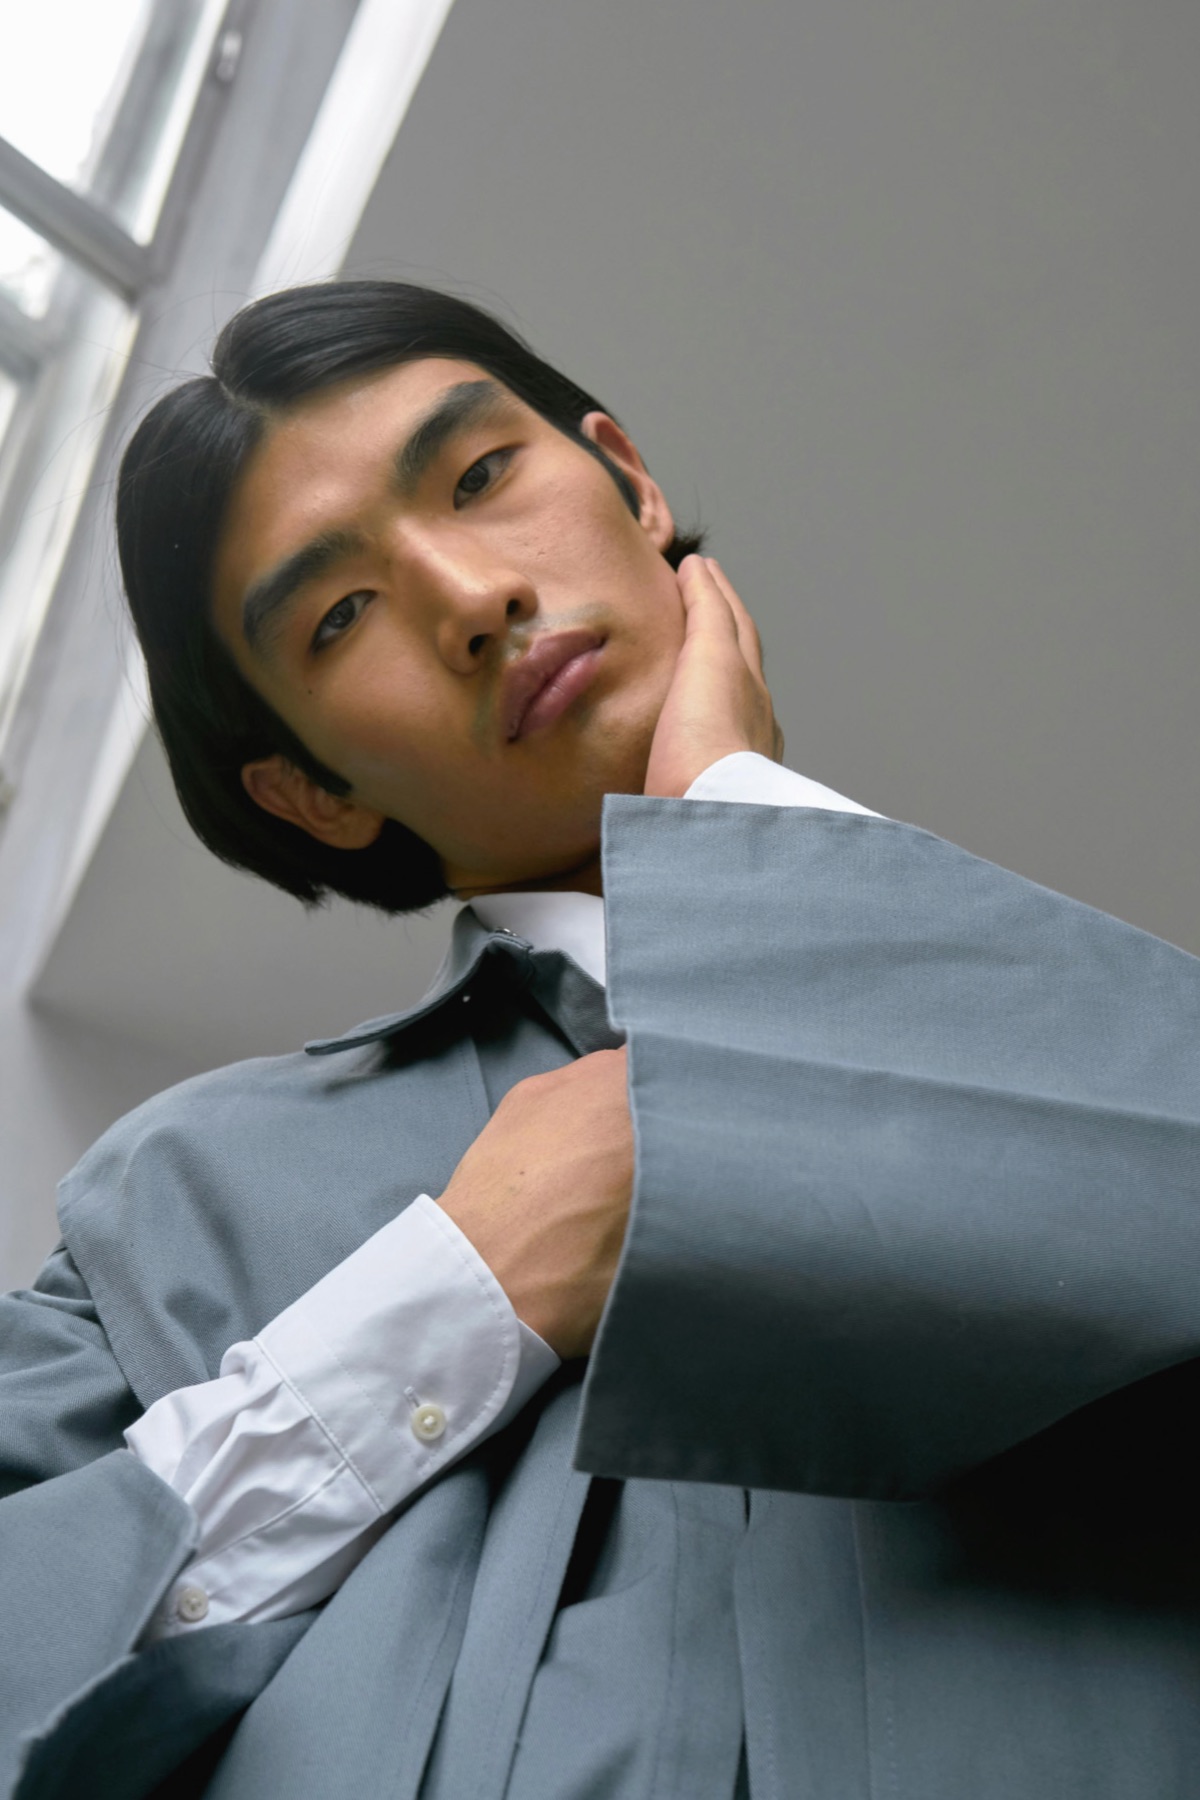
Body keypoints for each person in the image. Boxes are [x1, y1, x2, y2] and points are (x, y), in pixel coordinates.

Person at [2, 280, 1199, 1800]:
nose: (472, 596)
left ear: (630, 481)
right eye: (339, 614)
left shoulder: (1055, 1021)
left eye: (480, 475)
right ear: (313, 791)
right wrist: (458, 1295)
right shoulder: (172, 1208)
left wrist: (739, 828)